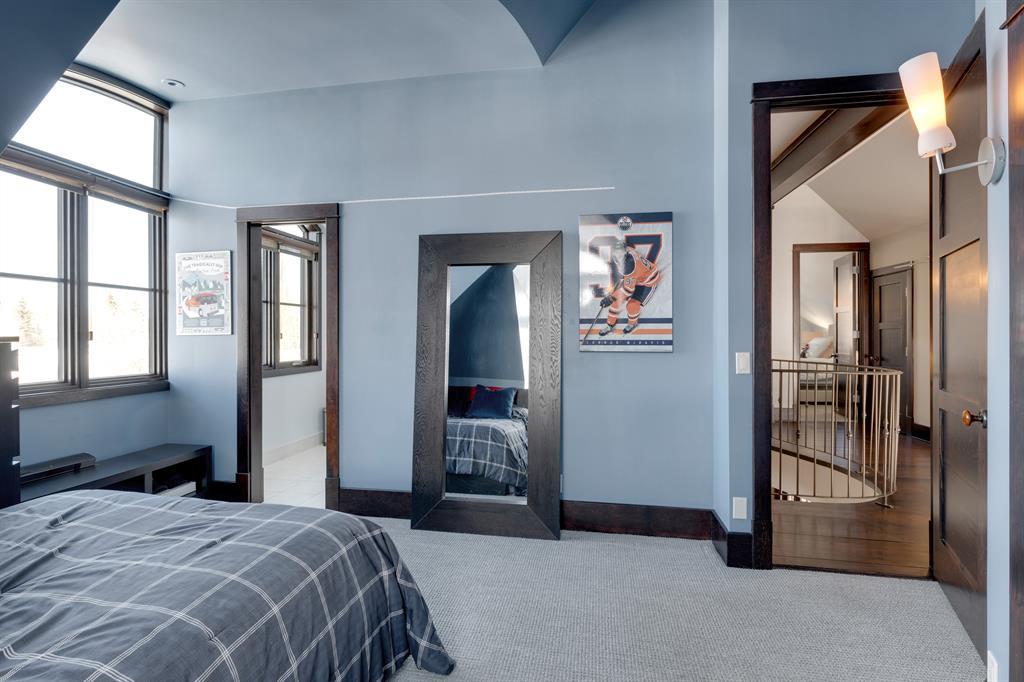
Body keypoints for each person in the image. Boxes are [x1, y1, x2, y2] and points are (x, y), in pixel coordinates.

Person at [599, 217, 662, 336]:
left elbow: (627, 291)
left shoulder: (630, 268)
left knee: (631, 305)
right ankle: (609, 324)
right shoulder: (628, 251)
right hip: (637, 276)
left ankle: (632, 323)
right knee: (616, 302)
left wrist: (611, 297)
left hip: (648, 281)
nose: (617, 258)